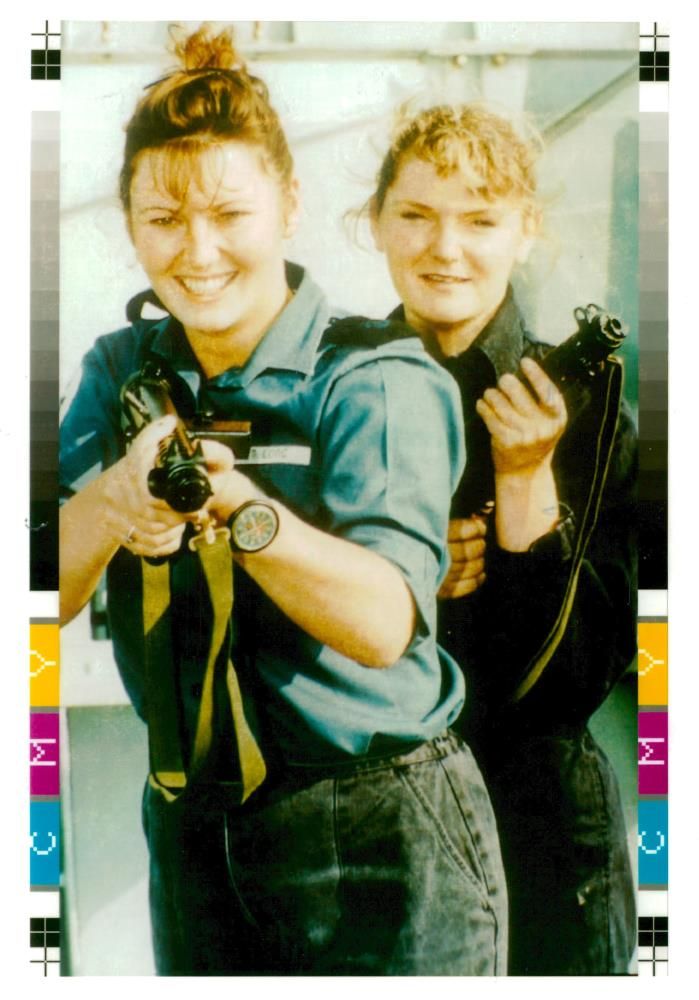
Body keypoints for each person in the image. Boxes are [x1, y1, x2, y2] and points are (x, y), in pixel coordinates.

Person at [59, 30, 508, 976]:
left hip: (380, 826)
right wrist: (110, 504)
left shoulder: (374, 378)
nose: (199, 250)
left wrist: (237, 509)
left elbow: (386, 622)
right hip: (190, 819)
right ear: (130, 227)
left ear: (290, 205)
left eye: (229, 212)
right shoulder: (118, 370)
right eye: (163, 219)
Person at [369, 104, 637, 975]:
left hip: (543, 828)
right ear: (375, 225)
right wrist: (405, 569)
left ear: (525, 232)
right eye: (415, 215)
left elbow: (579, 683)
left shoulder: (594, 407)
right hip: (380, 823)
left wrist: (526, 483)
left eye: (480, 220)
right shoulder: (336, 386)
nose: (445, 248)